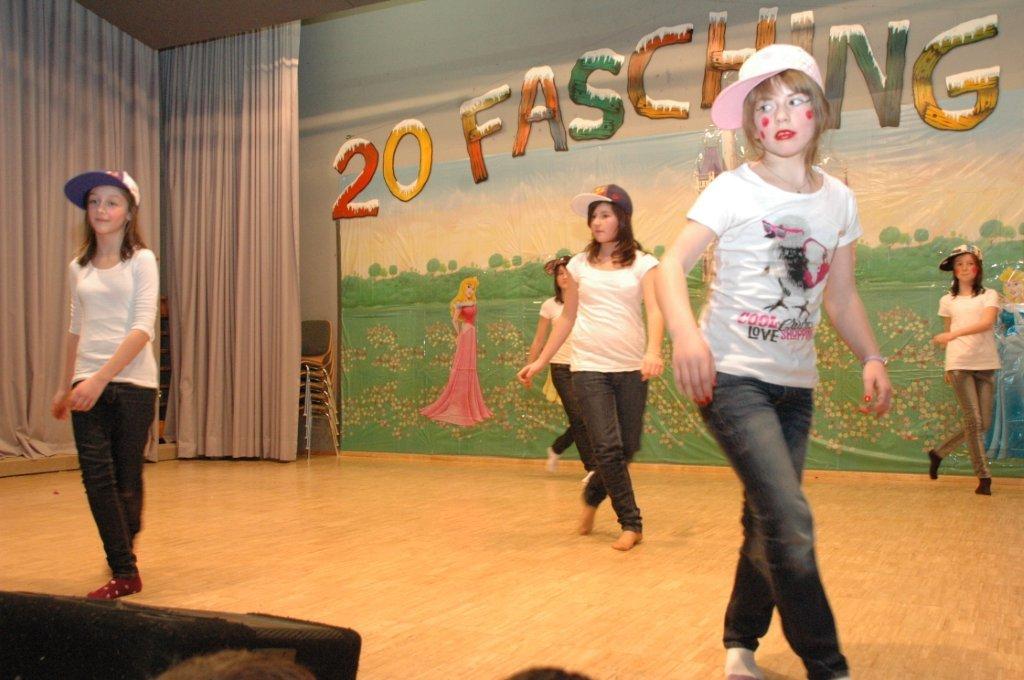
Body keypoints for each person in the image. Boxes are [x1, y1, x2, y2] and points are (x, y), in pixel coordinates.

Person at [656, 45, 891, 680]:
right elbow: (668, 267)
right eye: (765, 105)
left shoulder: (839, 201)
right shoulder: (733, 189)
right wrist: (686, 336)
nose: (781, 115)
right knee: (790, 520)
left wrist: (871, 354)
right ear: (751, 124)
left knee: (768, 521)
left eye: (795, 100)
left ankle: (740, 642)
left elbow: (840, 297)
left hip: (795, 388)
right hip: (732, 379)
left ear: (819, 112)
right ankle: (828, 666)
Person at [518, 184, 664, 551]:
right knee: (608, 448)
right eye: (593, 216)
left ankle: (591, 496)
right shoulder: (578, 265)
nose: (597, 222)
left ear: (622, 219)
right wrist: (540, 361)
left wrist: (653, 350)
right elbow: (567, 318)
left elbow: (655, 309)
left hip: (631, 368)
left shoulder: (643, 263)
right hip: (588, 367)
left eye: (605, 215)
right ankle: (631, 523)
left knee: (628, 447)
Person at [51, 170, 159, 599]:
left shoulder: (142, 261)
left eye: (112, 202)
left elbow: (142, 329)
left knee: (126, 484)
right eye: (95, 201)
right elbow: (75, 328)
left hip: (133, 385)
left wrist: (101, 379)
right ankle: (124, 571)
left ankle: (124, 540)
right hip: (87, 382)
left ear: (129, 212)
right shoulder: (78, 267)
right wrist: (67, 384)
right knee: (97, 479)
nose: (101, 209)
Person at [926, 244, 1000, 494]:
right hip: (959, 364)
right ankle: (984, 477)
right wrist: (948, 366)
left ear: (977, 268)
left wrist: (953, 334)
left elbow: (987, 323)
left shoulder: (989, 295)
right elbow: (948, 332)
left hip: (986, 363)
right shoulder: (947, 300)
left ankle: (939, 452)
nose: (965, 268)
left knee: (983, 423)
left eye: (970, 263)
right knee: (973, 420)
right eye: (960, 264)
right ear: (954, 270)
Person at [525, 255, 594, 480]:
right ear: (555, 279)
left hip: (585, 367)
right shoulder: (549, 306)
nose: (564, 277)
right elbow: (539, 340)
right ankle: (592, 468)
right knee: (579, 417)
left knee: (586, 418)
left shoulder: (586, 301)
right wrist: (530, 366)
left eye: (568, 273)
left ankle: (556, 448)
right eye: (560, 274)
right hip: (561, 369)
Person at [421, 276, 493, 425]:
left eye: (473, 288)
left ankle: (468, 402)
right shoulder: (461, 304)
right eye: (468, 287)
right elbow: (454, 319)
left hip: (471, 333)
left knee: (470, 366)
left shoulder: (471, 302)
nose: (471, 290)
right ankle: (459, 403)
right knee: (463, 365)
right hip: (466, 332)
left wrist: (463, 306)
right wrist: (459, 333)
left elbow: (470, 306)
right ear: (463, 288)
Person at [986, 267, 1024, 459]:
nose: (1012, 288)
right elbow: (996, 329)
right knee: (1006, 396)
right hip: (1008, 356)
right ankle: (1006, 445)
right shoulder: (1003, 307)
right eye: (1008, 285)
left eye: (1016, 284)